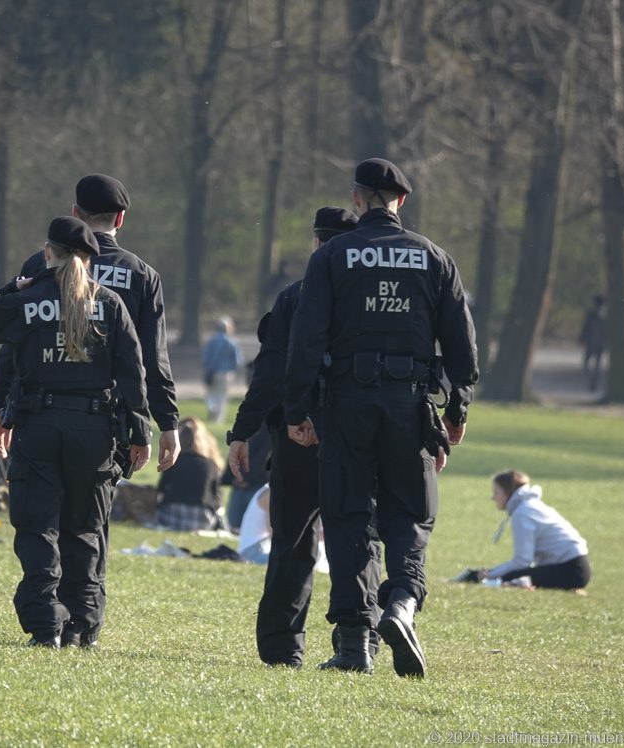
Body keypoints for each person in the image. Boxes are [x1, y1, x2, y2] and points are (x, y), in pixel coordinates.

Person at [284, 158, 479, 678]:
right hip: (409, 404)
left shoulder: (333, 257)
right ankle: (403, 605)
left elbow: (306, 338)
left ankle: (355, 645)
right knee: (411, 513)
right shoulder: (434, 258)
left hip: (345, 405)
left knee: (348, 516)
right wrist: (457, 407)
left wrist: (297, 409)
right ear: (402, 201)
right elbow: (461, 345)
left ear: (357, 198)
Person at [0, 217, 152, 649]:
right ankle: (82, 627)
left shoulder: (29, 301)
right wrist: (140, 431)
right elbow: (132, 372)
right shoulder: (109, 303)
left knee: (37, 526)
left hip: (39, 425)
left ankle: (45, 623)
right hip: (95, 430)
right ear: (90, 260)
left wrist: (16, 286)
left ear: (48, 252)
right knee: (85, 528)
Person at [227, 206, 382, 668]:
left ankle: (282, 648)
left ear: (316, 244)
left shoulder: (295, 298)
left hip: (297, 438)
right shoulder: (369, 299)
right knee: (357, 538)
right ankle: (360, 640)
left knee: (292, 541)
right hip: (356, 436)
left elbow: (270, 372)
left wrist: (243, 430)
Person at [0, 173, 180, 472]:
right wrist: (167, 422)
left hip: (38, 415)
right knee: (89, 515)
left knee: (41, 510)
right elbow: (151, 359)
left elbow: (15, 343)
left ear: (75, 213)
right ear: (120, 218)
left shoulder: (40, 264)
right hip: (104, 422)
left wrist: (0, 407)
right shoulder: (142, 276)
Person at [480, 470, 591, 590]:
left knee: (507, 577)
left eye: (496, 492)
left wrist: (491, 574)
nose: (493, 497)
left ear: (507, 493)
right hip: (577, 567)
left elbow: (522, 562)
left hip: (571, 571)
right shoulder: (528, 506)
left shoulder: (522, 513)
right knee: (511, 575)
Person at [154, 419, 222, 531]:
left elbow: (161, 489)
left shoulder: (174, 462)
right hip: (202, 518)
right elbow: (216, 497)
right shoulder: (210, 465)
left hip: (172, 514)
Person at [202, 316, 244, 423]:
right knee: (222, 396)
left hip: (212, 372)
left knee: (211, 393)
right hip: (226, 373)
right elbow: (237, 361)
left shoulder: (211, 341)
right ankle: (218, 419)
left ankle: (212, 409)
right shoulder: (233, 342)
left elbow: (205, 357)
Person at [579, 296, 606, 392]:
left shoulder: (590, 313)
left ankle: (592, 380)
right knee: (597, 365)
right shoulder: (606, 315)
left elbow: (585, 327)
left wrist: (581, 338)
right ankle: (594, 381)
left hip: (591, 342)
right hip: (600, 344)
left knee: (586, 364)